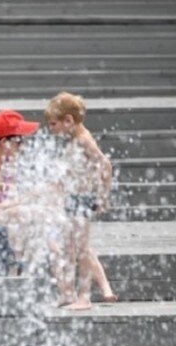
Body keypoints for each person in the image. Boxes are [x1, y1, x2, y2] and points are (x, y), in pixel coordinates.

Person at [44, 92, 117, 310]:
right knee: (68, 246)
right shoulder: (74, 138)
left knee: (82, 249)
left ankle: (84, 297)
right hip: (73, 197)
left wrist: (103, 196)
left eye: (53, 124)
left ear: (69, 120)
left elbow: (106, 165)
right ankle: (68, 293)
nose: (51, 129)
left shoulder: (84, 140)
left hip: (84, 198)